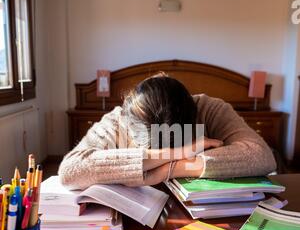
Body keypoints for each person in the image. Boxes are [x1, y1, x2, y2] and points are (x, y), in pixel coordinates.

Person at [59, 74, 277, 190]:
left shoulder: (209, 108)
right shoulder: (119, 119)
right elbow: (70, 170)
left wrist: (169, 170)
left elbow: (261, 155)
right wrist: (179, 153)